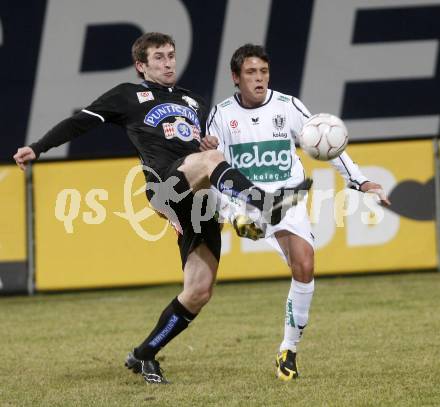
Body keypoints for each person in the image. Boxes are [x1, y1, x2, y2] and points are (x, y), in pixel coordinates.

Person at [13, 33, 312, 384]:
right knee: (211, 162)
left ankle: (144, 354)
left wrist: (209, 141)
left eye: (171, 55)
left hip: (198, 202)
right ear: (142, 65)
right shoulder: (127, 95)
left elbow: (213, 154)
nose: (168, 62)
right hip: (166, 185)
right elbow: (80, 121)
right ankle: (262, 203)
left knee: (199, 291)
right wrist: (38, 147)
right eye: (158, 57)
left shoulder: (196, 102)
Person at [200, 44, 391, 381]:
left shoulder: (288, 107)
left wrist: (360, 181)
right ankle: (243, 221)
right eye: (250, 73)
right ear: (235, 77)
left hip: (287, 197)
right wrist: (227, 205)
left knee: (304, 265)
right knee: (228, 193)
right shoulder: (221, 114)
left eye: (263, 72)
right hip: (247, 197)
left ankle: (288, 350)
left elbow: (329, 143)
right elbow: (214, 167)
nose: (259, 79)